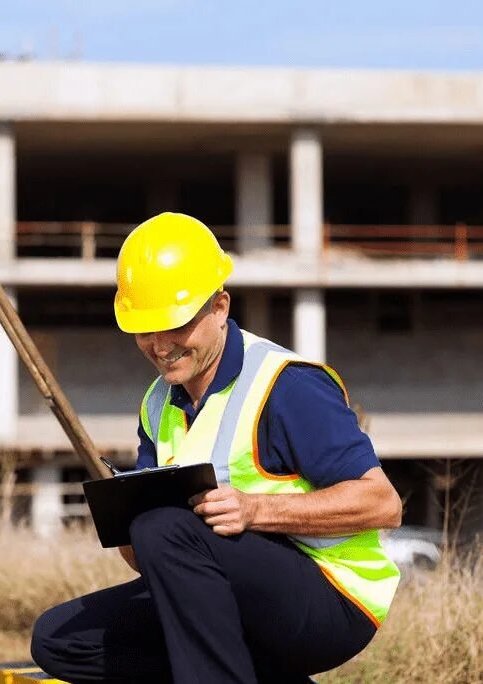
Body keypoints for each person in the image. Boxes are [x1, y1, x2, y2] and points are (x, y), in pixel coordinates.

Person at [30, 213, 402, 684]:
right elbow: (153, 553)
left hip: (333, 600)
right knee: (60, 638)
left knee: (166, 527)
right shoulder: (157, 402)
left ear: (220, 307)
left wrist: (253, 510)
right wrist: (122, 520)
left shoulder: (288, 385)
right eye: (145, 329)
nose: (159, 345)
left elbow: (383, 503)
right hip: (231, 595)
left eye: (175, 326)